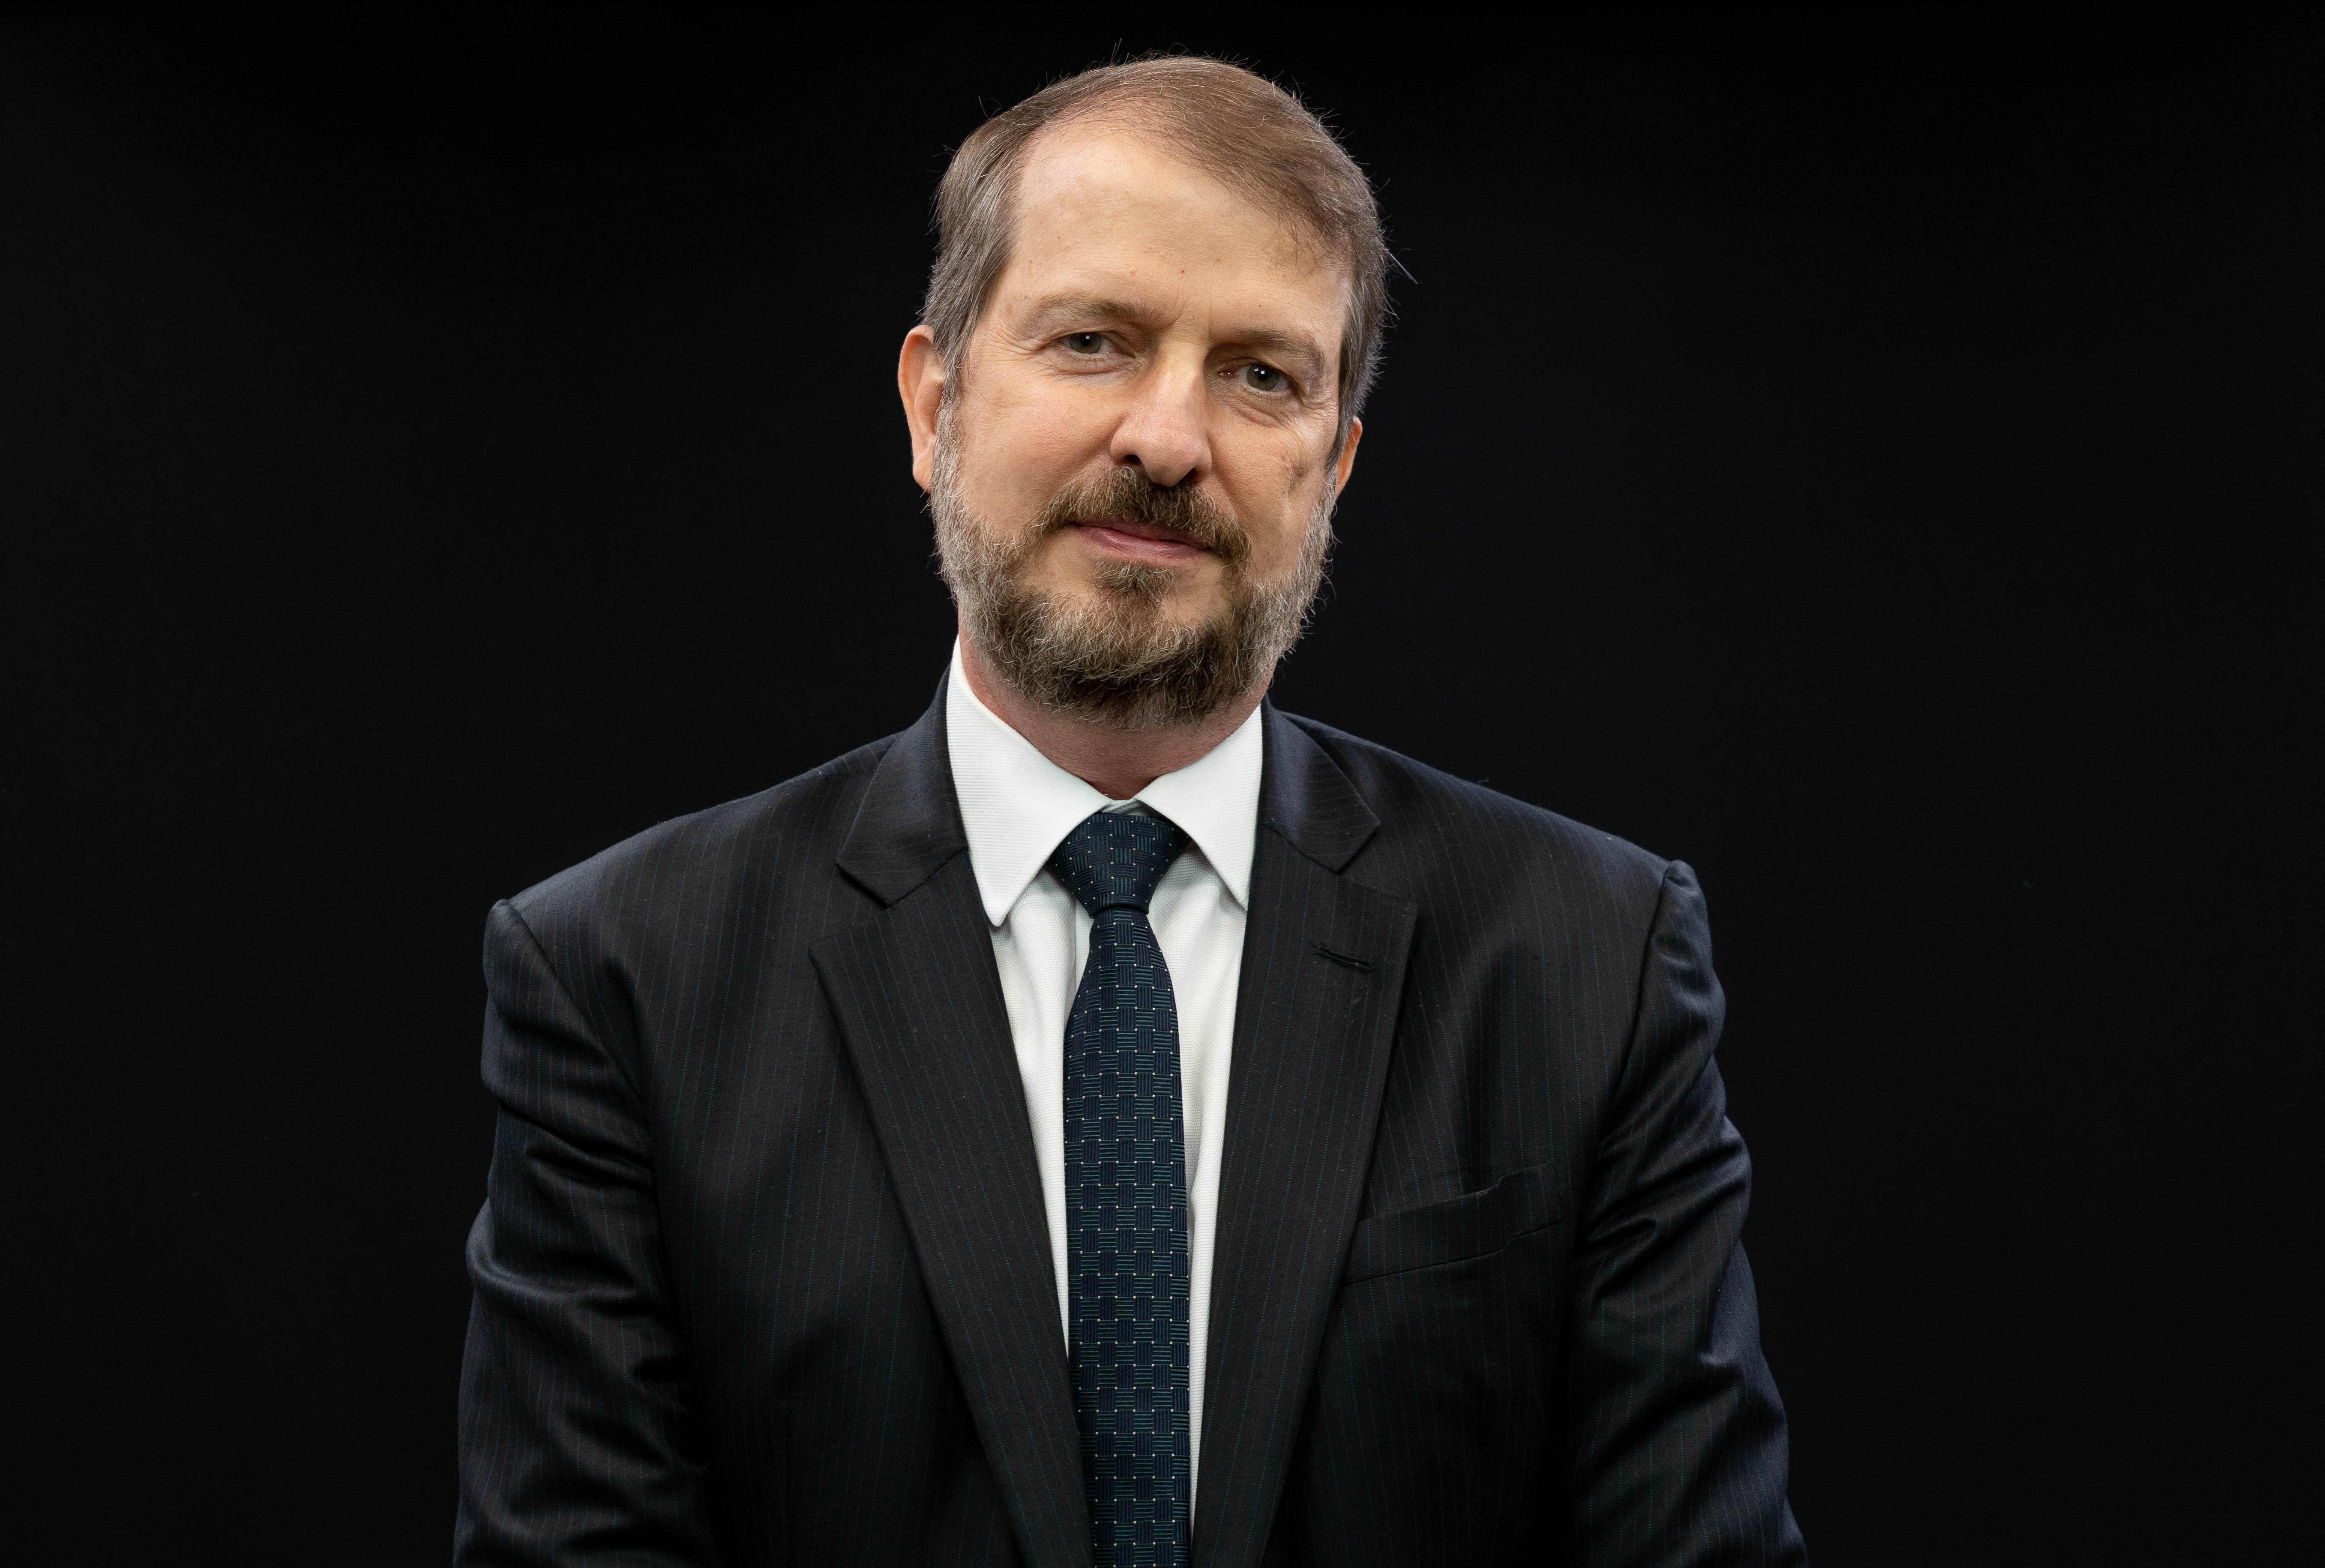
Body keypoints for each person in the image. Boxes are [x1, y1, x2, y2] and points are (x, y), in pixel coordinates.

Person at [455, 55, 1805, 1568]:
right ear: (935, 403)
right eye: (1094, 342)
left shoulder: (1586, 962)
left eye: (1262, 375)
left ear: (1334, 469)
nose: (1169, 439)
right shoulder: (627, 980)